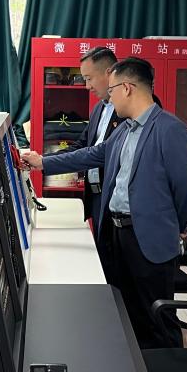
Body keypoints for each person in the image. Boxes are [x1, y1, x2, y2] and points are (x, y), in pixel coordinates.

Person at [23, 57, 187, 348]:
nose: (108, 97)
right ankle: (136, 364)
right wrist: (43, 163)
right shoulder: (124, 130)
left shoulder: (169, 129)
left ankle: (168, 369)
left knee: (156, 317)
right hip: (117, 233)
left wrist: (173, 226)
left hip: (149, 238)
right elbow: (91, 154)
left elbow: (186, 187)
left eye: (112, 90)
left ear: (127, 88)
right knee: (126, 310)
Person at [65, 47, 122, 257]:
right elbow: (81, 145)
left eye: (89, 79)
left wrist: (44, 164)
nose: (87, 86)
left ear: (109, 73)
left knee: (114, 261)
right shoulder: (99, 108)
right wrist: (42, 159)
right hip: (96, 195)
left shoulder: (128, 110)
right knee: (102, 257)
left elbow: (98, 154)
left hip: (115, 200)